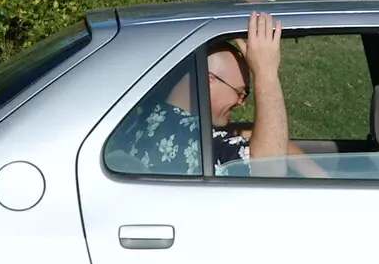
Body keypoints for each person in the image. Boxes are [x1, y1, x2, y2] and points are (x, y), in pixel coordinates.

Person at [109, 11, 312, 175]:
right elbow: (271, 169)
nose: (241, 102)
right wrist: (266, 74)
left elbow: (255, 135)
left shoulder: (148, 115)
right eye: (240, 92)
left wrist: (310, 168)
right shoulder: (206, 146)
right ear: (208, 81)